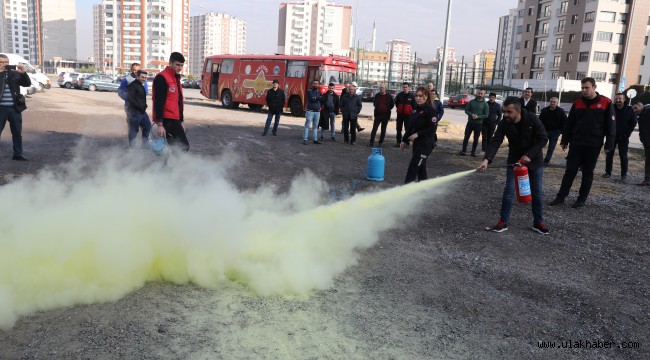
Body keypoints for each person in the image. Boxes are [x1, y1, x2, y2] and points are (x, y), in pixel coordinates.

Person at [478, 97, 549, 234]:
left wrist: (529, 155)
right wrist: (487, 159)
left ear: (518, 111)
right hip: (514, 161)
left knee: (537, 192)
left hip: (534, 161)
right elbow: (496, 140)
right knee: (509, 191)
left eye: (509, 112)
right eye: (504, 111)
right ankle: (503, 222)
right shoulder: (505, 122)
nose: (505, 115)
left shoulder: (532, 119)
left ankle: (538, 222)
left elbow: (543, 138)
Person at [549, 77, 615, 208]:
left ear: (594, 87)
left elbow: (611, 126)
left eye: (587, 88)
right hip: (576, 143)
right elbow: (569, 123)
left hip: (593, 144)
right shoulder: (578, 102)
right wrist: (565, 140)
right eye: (582, 88)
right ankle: (561, 197)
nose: (584, 90)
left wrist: (609, 145)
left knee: (587, 173)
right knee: (570, 171)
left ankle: (581, 200)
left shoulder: (606, 102)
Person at [400, 86, 439, 184]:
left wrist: (418, 134)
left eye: (420, 96)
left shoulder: (430, 110)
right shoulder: (415, 109)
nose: (417, 98)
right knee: (421, 167)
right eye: (416, 96)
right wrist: (404, 140)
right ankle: (424, 190)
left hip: (426, 144)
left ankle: (405, 191)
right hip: (417, 143)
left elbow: (432, 128)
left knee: (413, 167)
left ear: (425, 96)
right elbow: (410, 127)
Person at [153, 52, 189, 152]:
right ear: (170, 63)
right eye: (177, 65)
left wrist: (181, 120)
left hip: (175, 119)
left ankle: (169, 167)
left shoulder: (176, 78)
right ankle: (172, 166)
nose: (180, 68)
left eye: (182, 65)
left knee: (174, 148)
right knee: (183, 146)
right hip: (167, 119)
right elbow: (158, 101)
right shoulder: (162, 77)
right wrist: (160, 124)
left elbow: (178, 102)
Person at [0, 54, 31, 160]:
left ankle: (17, 154)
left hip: (14, 108)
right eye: (1, 62)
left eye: (6, 62)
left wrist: (23, 73)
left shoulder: (14, 74)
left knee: (17, 132)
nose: (4, 64)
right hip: (1, 109)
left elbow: (27, 84)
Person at [603, 93, 637, 181]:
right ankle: (608, 172)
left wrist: (627, 133)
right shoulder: (611, 108)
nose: (618, 100)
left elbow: (633, 122)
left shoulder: (629, 110)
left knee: (623, 156)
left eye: (620, 99)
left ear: (624, 99)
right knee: (609, 154)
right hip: (611, 136)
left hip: (624, 137)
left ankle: (624, 174)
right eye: (616, 99)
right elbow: (606, 120)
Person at [458, 90, 489, 156]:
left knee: (476, 138)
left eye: (481, 93)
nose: (480, 94)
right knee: (466, 137)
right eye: (479, 93)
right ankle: (463, 151)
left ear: (483, 95)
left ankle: (473, 152)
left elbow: (486, 115)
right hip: (470, 122)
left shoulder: (485, 104)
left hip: (479, 124)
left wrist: (478, 116)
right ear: (477, 93)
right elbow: (466, 110)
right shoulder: (471, 102)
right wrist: (471, 114)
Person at [126, 70, 152, 148]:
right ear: (137, 76)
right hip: (134, 113)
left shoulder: (141, 85)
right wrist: (141, 107)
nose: (144, 79)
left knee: (147, 126)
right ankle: (132, 148)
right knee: (134, 130)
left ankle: (145, 144)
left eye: (145, 77)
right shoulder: (132, 86)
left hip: (142, 112)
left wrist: (144, 106)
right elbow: (131, 99)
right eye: (142, 77)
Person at [538, 97, 567, 165]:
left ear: (557, 103)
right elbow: (540, 121)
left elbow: (565, 122)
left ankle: (546, 161)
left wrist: (561, 131)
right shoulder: (544, 110)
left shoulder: (561, 111)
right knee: (539, 145)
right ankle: (538, 159)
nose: (552, 103)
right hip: (544, 131)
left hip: (555, 132)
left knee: (551, 148)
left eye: (554, 102)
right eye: (551, 101)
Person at [368, 83, 394, 147]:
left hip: (385, 115)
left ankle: (380, 142)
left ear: (385, 89)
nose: (381, 89)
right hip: (377, 115)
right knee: (374, 129)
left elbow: (392, 105)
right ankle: (371, 142)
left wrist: (386, 109)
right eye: (381, 88)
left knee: (383, 129)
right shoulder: (377, 95)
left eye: (383, 88)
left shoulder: (389, 96)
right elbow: (374, 103)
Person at [632, 102, 650, 186]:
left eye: (635, 108)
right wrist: (642, 138)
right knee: (648, 161)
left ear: (641, 106)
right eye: (633, 109)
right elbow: (642, 129)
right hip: (647, 142)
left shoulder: (648, 112)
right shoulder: (640, 116)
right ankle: (647, 180)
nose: (634, 110)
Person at [394, 82, 416, 147]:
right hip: (400, 115)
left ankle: (406, 142)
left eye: (406, 87)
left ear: (409, 88)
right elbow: (397, 104)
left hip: (408, 116)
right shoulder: (399, 95)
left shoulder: (412, 96)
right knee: (398, 129)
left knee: (407, 129)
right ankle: (398, 141)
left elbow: (414, 106)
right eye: (403, 87)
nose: (405, 88)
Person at [303, 79, 323, 145]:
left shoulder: (319, 92)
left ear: (318, 84)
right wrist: (317, 98)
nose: (315, 85)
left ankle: (315, 139)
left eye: (317, 84)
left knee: (315, 126)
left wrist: (315, 98)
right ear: (312, 84)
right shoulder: (309, 91)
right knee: (307, 125)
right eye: (314, 83)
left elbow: (322, 99)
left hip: (317, 112)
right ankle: (305, 139)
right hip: (310, 111)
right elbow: (311, 99)